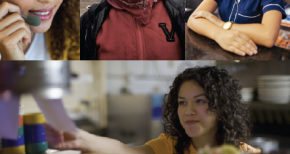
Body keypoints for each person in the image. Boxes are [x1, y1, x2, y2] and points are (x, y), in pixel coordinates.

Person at [44, 66, 260, 154]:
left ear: (221, 106)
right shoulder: (170, 146)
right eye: (182, 102)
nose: (188, 111)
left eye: (200, 101)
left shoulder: (244, 152)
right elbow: (125, 150)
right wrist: (80, 138)